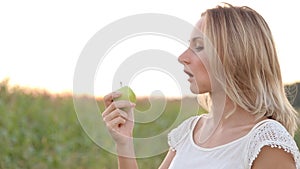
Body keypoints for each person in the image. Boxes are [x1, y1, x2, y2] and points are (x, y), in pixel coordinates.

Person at [102, 3, 300, 169]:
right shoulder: (189, 131)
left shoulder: (266, 142)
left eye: (199, 47)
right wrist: (124, 142)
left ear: (234, 55)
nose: (182, 57)